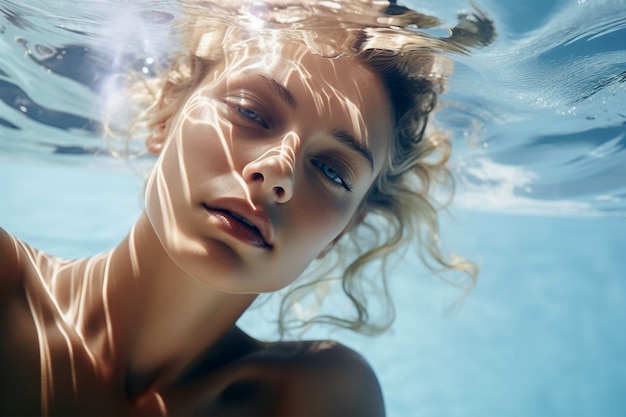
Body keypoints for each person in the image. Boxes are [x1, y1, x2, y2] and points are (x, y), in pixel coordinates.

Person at [0, 0, 494, 415]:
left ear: (341, 233)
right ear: (168, 112)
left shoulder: (312, 395)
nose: (277, 174)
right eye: (249, 111)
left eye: (333, 171)